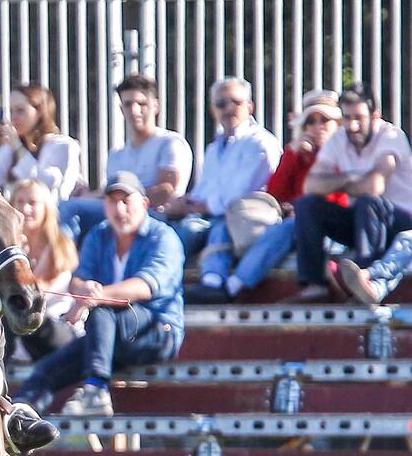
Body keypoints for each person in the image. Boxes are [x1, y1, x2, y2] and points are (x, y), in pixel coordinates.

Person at [12, 172, 184, 417]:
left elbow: (145, 287)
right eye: (112, 201)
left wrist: (94, 296)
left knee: (102, 311)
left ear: (144, 205)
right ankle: (18, 418)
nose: (119, 208)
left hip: (156, 333)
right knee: (46, 370)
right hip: (106, 336)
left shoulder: (163, 237)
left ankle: (95, 389)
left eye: (126, 200)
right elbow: (78, 280)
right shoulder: (98, 235)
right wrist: (84, 291)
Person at [186, 90, 342, 304]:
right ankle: (212, 281)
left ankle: (234, 286)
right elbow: (275, 194)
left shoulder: (344, 153)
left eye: (324, 120)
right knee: (223, 224)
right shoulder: (299, 155)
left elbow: (341, 199)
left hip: (329, 229)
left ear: (337, 124)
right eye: (310, 122)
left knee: (289, 225)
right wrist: (292, 154)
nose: (317, 127)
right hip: (296, 224)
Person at [293, 83, 412, 302]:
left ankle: (363, 280)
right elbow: (311, 185)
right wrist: (350, 178)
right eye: (346, 118)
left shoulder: (391, 136)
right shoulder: (339, 138)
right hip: (364, 221)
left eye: (359, 118)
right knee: (307, 204)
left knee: (369, 201)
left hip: (400, 222)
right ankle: (314, 284)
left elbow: (375, 186)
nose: (352, 126)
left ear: (374, 116)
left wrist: (337, 182)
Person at [59, 73, 193, 243]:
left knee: (72, 208)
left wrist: (121, 199)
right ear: (122, 109)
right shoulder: (117, 154)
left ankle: (57, 264)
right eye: (128, 104)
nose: (134, 110)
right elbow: (109, 194)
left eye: (142, 104)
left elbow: (167, 191)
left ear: (156, 106)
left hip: (156, 218)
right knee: (66, 208)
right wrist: (90, 197)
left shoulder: (170, 143)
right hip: (117, 215)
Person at [163, 77, 282, 259]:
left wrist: (197, 207)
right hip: (204, 216)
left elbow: (241, 195)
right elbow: (204, 189)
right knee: (154, 227)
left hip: (240, 218)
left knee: (184, 233)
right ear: (213, 110)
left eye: (235, 102)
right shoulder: (214, 148)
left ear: (250, 107)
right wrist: (183, 202)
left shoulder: (260, 143)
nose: (228, 109)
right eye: (221, 104)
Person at [8, 179, 80, 360]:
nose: (25, 209)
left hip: (56, 328)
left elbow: (37, 294)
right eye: (20, 202)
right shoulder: (8, 250)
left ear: (46, 208)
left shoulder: (60, 245)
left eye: (32, 203)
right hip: (20, 329)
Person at [0, 83, 82, 204]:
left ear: (40, 111)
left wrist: (17, 148)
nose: (13, 117)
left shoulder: (62, 145)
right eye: (10, 111)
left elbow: (43, 185)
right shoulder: (10, 148)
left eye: (20, 110)